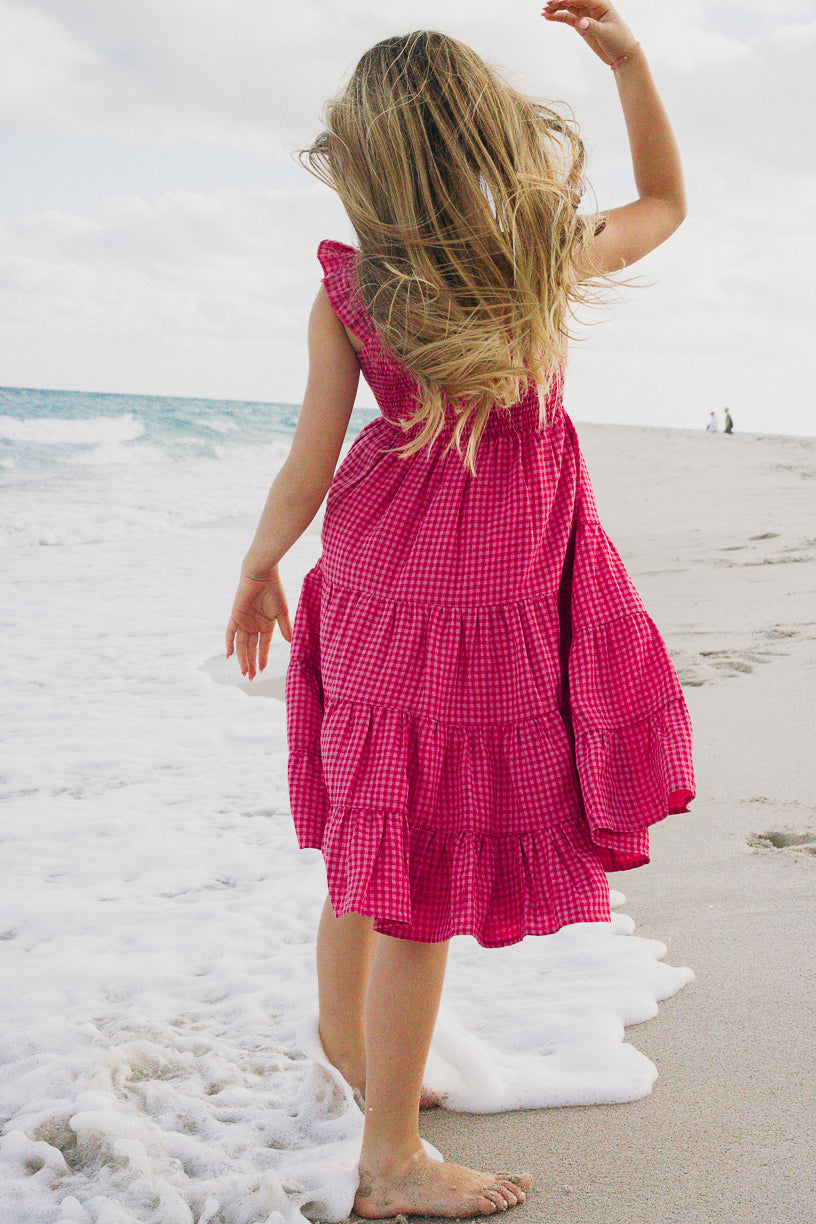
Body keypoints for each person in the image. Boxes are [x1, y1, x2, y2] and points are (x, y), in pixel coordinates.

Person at [225, 3, 694, 1217]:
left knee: (374, 836)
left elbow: (309, 459)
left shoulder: (354, 290)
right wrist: (633, 64)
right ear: (483, 136)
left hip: (376, 570)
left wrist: (260, 564)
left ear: (369, 156)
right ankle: (388, 1162)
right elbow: (663, 206)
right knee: (420, 872)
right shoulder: (534, 255)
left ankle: (350, 1050)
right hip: (476, 598)